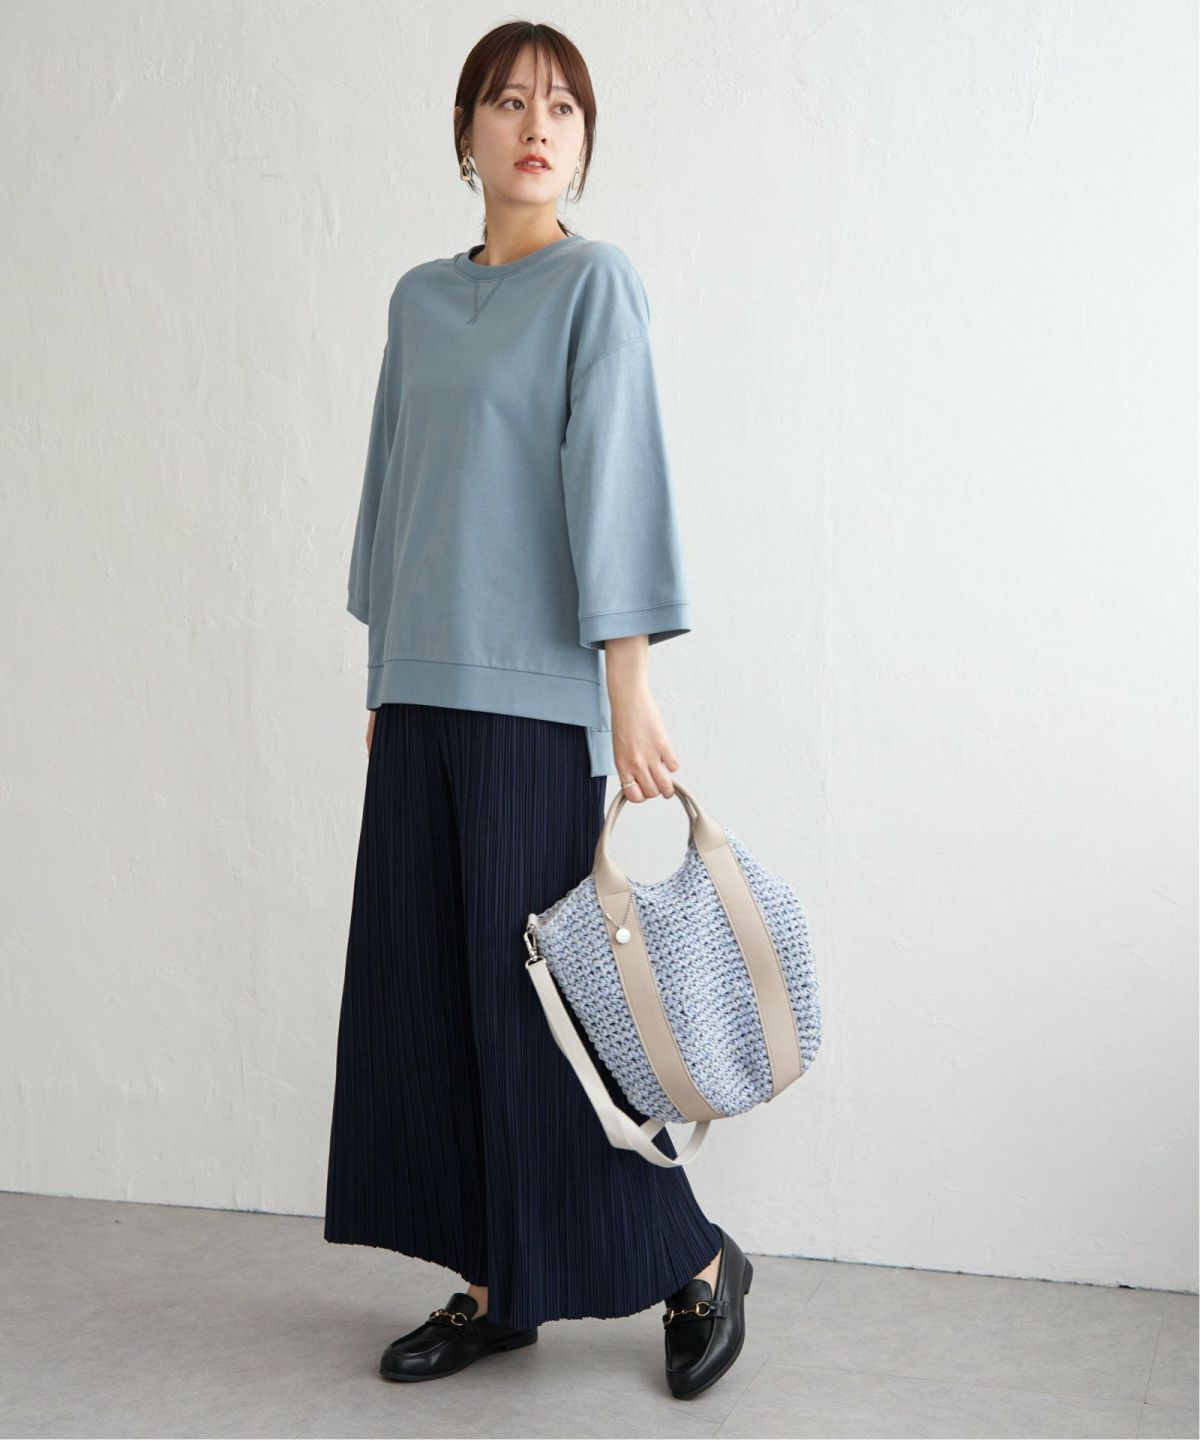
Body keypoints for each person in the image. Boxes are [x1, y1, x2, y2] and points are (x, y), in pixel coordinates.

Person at [322, 20, 752, 1401]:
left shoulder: (594, 284)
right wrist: (384, 680)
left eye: (562, 107)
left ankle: (691, 1258)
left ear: (583, 142)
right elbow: (395, 494)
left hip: (533, 709)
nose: (535, 125)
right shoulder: (418, 302)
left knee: (543, 1018)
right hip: (421, 695)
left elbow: (612, 478)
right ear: (466, 135)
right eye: (508, 102)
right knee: (433, 1004)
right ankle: (494, 1282)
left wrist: (628, 687)